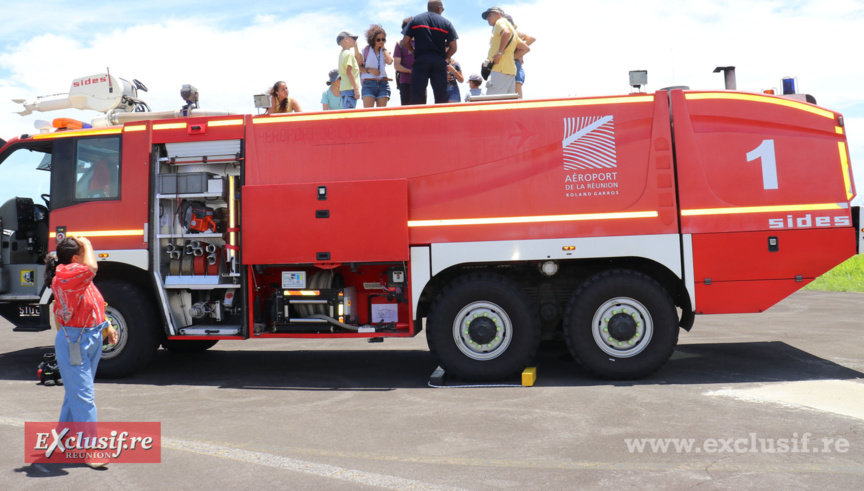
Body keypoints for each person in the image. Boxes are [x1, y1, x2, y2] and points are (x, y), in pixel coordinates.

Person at [45, 236, 118, 468]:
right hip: (75, 341)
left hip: (89, 337)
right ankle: (91, 450)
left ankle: (61, 439)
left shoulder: (76, 274)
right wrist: (87, 243)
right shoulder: (67, 274)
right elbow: (92, 267)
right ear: (76, 258)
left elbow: (93, 302)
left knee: (76, 393)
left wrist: (107, 326)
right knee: (84, 397)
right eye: (83, 252)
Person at [401, 1, 458, 104]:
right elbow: (453, 47)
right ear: (439, 8)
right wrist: (444, 57)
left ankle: (418, 119)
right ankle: (441, 119)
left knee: (417, 96)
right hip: (439, 62)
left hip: (421, 60)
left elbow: (405, 41)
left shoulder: (415, 20)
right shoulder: (446, 23)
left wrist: (414, 52)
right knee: (441, 97)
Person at [481, 6, 518, 96]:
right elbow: (525, 48)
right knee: (507, 106)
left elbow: (506, 33)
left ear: (498, 14)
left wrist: (500, 53)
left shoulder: (500, 21)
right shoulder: (512, 29)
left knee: (492, 103)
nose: (487, 18)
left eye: (489, 15)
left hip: (499, 69)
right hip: (510, 70)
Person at [359, 25, 393, 108]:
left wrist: (384, 48)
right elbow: (358, 68)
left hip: (383, 83)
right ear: (372, 39)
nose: (381, 41)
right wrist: (370, 70)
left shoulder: (384, 51)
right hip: (368, 83)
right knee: (368, 114)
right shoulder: (365, 51)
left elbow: (390, 61)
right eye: (378, 39)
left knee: (381, 115)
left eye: (383, 39)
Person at [504, 13, 536, 99]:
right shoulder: (517, 33)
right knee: (516, 91)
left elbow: (532, 39)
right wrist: (520, 52)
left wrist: (518, 53)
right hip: (516, 63)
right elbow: (531, 39)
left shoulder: (514, 33)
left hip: (514, 64)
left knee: (516, 93)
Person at [337, 31, 363, 109]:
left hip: (344, 89)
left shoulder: (342, 54)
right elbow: (349, 71)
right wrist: (356, 89)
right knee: (349, 114)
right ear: (346, 40)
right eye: (353, 38)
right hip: (350, 89)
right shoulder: (349, 54)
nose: (355, 41)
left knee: (346, 113)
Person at [393, 17, 415, 106]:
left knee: (421, 110)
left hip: (420, 81)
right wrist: (410, 71)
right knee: (406, 110)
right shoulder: (400, 44)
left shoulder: (423, 43)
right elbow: (396, 65)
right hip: (405, 82)